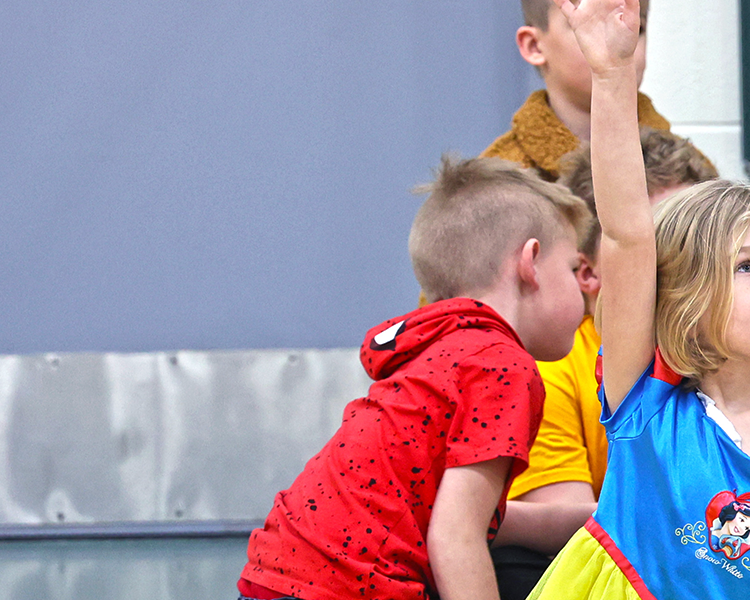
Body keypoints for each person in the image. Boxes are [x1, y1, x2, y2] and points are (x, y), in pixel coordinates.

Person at [527, 0, 750, 596]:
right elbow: (625, 235)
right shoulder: (646, 411)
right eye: (746, 268)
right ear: (686, 303)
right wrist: (612, 75)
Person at [238, 156, 592, 600]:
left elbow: (456, 517)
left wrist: (596, 520)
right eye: (573, 270)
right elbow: (456, 538)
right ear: (531, 263)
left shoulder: (438, 348)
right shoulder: (503, 365)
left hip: (277, 575)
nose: (584, 292)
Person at [487, 127, 750, 600]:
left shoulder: (748, 354)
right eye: (665, 239)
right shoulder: (552, 365)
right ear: (590, 272)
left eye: (707, 242)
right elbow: (578, 531)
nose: (694, 259)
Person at [482, 0, 672, 181]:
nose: (620, 42)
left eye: (636, 28)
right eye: (590, 26)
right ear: (534, 46)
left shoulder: (690, 172)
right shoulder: (495, 182)